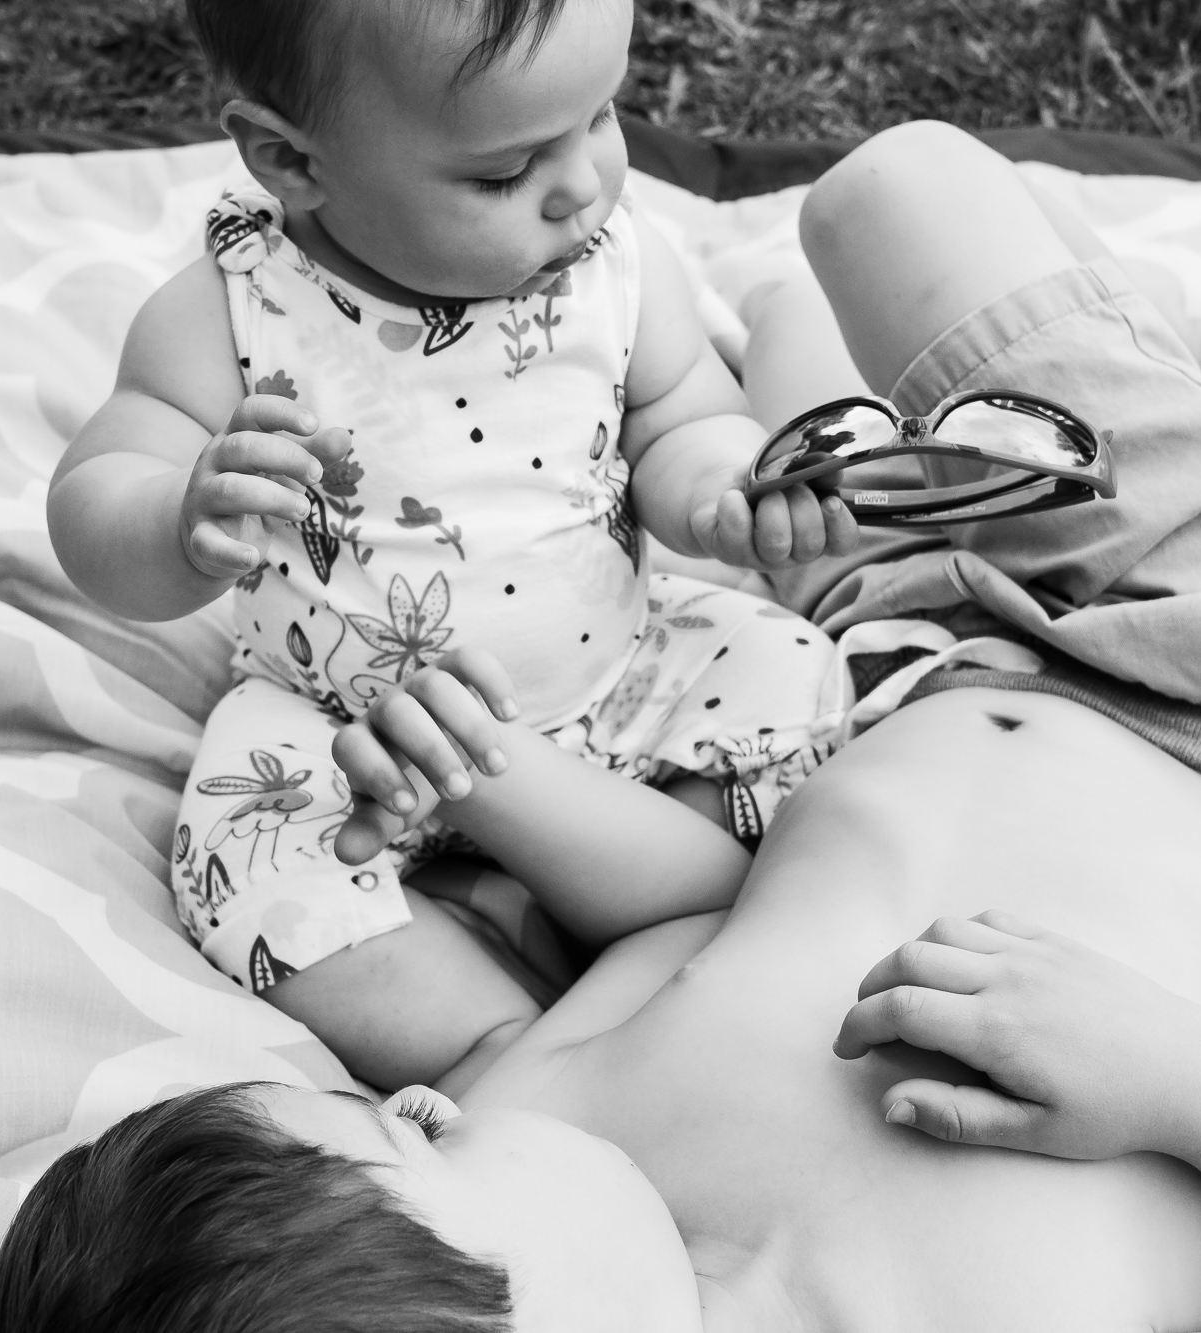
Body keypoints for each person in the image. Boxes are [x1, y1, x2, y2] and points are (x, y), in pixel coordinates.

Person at [0, 106, 1201, 1333]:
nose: (428, 1094)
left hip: (886, 671)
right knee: (897, 196)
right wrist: (1191, 1082)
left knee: (800, 333)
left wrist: (500, 785)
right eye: (412, 1143)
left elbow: (710, 907)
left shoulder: (552, 1114)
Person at [46, 0, 864, 1093]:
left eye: (600, 118)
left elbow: (681, 417)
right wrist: (171, 521)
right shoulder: (232, 313)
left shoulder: (612, 267)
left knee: (793, 677)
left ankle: (645, 887)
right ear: (293, 161)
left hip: (617, 680)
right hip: (346, 735)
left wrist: (720, 491)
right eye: (503, 173)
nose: (582, 184)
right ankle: (488, 1043)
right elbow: (97, 494)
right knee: (240, 861)